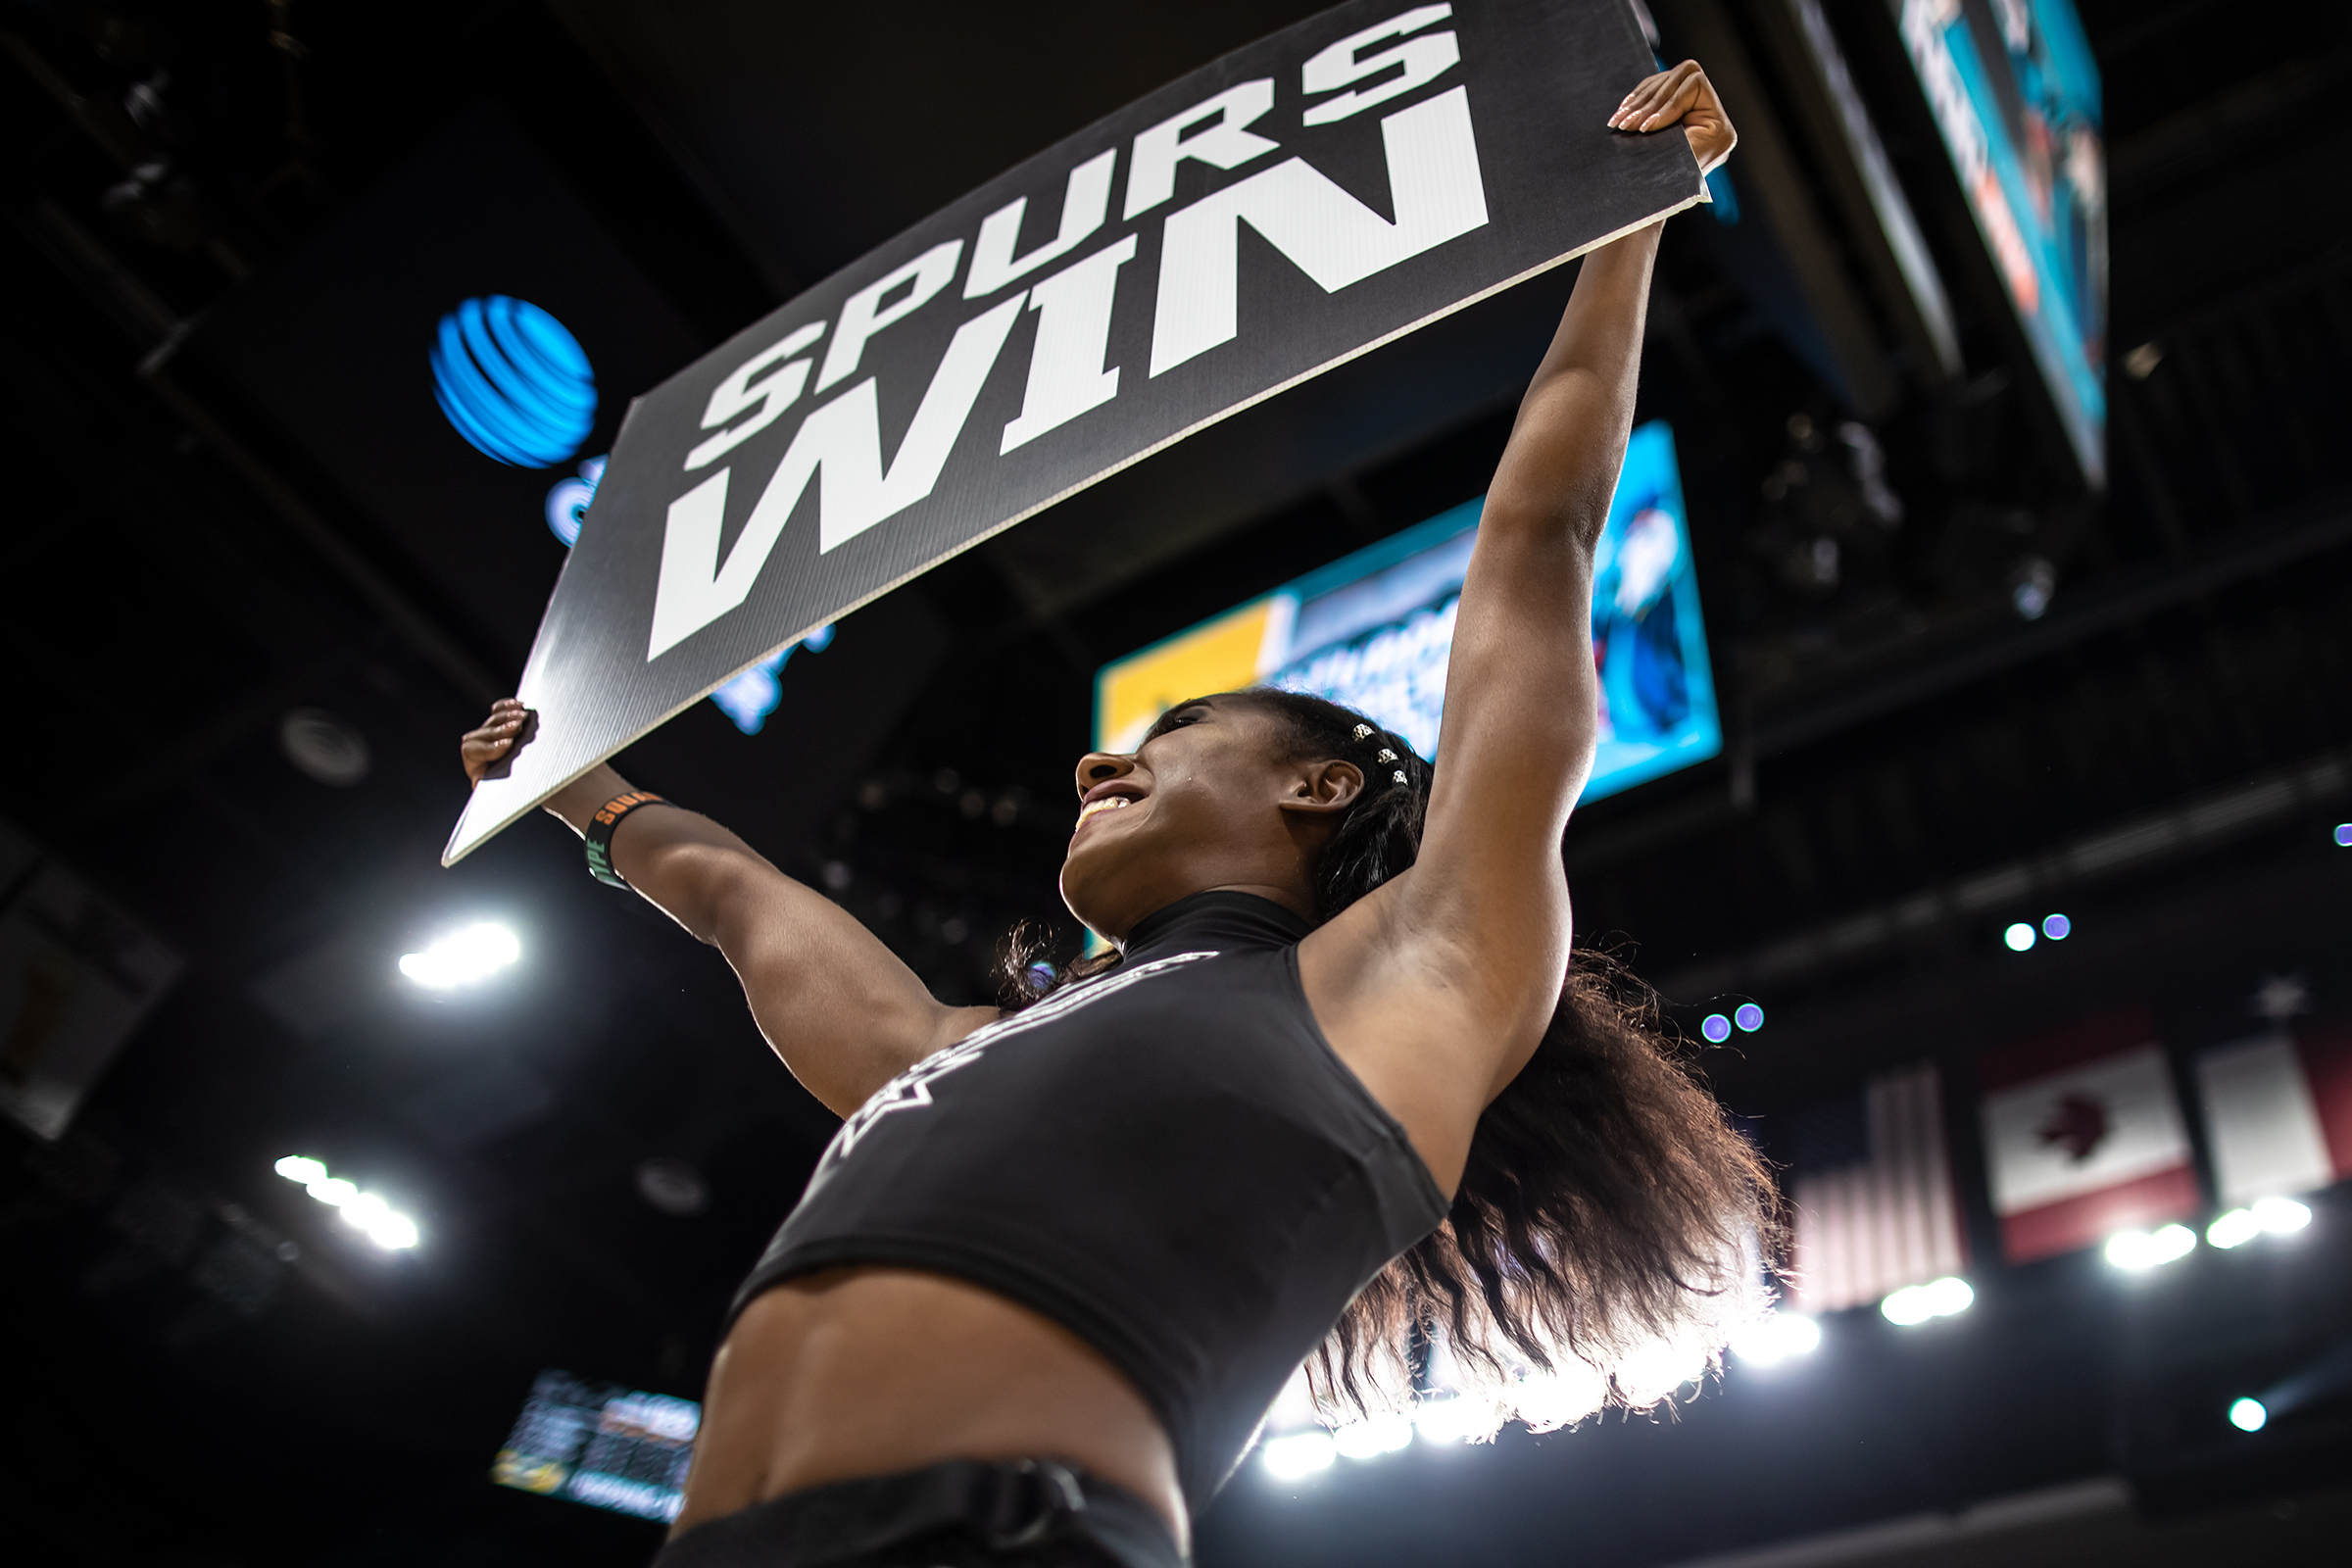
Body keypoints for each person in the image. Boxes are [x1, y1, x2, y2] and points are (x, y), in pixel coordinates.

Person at [461, 61, 1769, 1568]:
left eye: (1176, 732)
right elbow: (739, 902)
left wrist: (1628, 218)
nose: (1092, 766)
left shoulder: (1418, 973)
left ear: (1321, 784)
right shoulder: (945, 1051)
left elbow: (1539, 534)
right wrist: (575, 782)